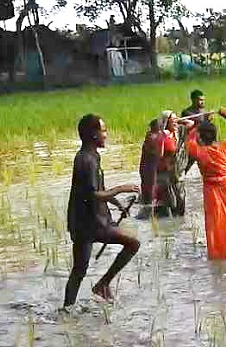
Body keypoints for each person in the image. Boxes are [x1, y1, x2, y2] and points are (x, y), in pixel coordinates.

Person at [64, 114, 140, 308]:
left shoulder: (90, 157)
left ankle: (67, 309)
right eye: (103, 130)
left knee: (79, 270)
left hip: (85, 222)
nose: (106, 135)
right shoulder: (86, 161)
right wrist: (122, 189)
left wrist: (117, 203)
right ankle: (103, 284)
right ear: (93, 135)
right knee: (133, 244)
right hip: (90, 224)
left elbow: (100, 189)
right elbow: (94, 195)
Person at [186, 108, 226, 260]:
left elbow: (189, 141)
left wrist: (193, 127)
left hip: (213, 194)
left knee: (217, 227)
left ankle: (220, 259)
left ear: (200, 138)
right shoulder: (224, 148)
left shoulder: (198, 152)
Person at [153, 110, 193, 217]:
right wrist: (162, 138)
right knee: (170, 202)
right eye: (173, 120)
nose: (176, 122)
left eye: (176, 120)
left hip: (177, 172)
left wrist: (179, 120)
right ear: (166, 122)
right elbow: (159, 156)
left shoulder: (178, 131)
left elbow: (191, 123)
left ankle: (179, 223)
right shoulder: (161, 136)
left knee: (180, 200)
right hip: (165, 173)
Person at [139, 119, 163, 218]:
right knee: (151, 188)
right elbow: (159, 154)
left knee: (147, 188)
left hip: (146, 166)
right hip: (150, 166)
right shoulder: (153, 137)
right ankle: (150, 211)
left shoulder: (150, 135)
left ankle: (147, 206)